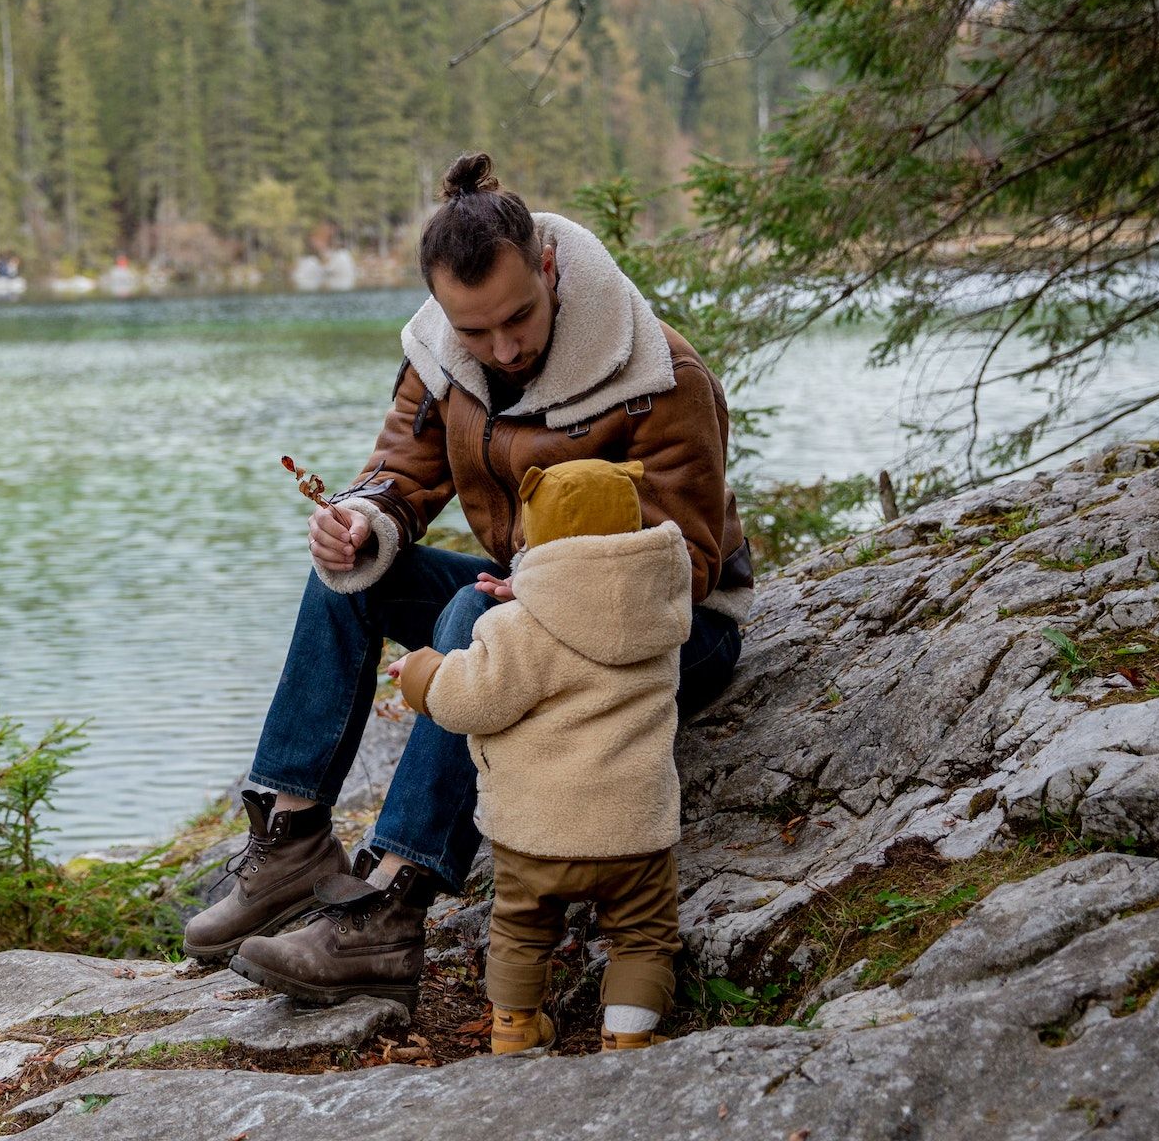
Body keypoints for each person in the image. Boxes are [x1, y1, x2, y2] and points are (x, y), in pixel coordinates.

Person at [183, 151, 753, 1010]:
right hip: (526, 592)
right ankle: (293, 836)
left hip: (677, 628)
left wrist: (546, 589)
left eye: (517, 319)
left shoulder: (657, 376)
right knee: (349, 578)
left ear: (549, 267)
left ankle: (391, 908)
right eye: (475, 331)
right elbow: (400, 477)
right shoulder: (444, 354)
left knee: (469, 614)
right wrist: (359, 524)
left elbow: (691, 558)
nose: (502, 347)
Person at [389, 458, 689, 1054]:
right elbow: (589, 610)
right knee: (644, 939)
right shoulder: (663, 619)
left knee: (521, 930)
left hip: (536, 833)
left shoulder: (517, 625)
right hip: (635, 830)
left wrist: (421, 672)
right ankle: (628, 1037)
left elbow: (473, 699)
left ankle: (515, 1029)